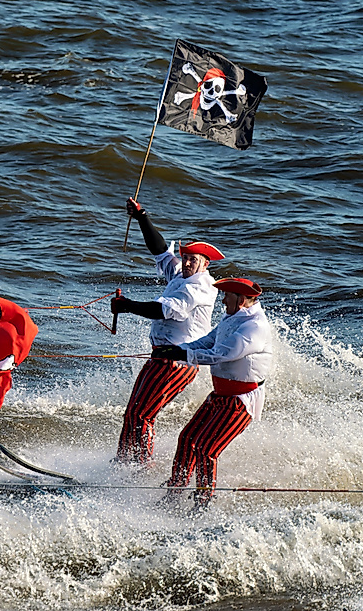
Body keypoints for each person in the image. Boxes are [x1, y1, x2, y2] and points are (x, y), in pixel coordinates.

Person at [111, 197, 223, 465]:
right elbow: (161, 251)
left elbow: (162, 310)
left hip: (177, 361)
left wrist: (126, 306)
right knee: (132, 413)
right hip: (160, 356)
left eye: (192, 260)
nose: (186, 263)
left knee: (143, 415)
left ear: (205, 264)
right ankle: (123, 462)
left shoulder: (198, 288)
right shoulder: (181, 275)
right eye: (185, 258)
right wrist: (142, 217)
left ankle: (140, 467)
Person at [153, 277, 272, 506]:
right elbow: (208, 341)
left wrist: (183, 356)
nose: (223, 299)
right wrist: (177, 349)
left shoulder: (255, 326)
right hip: (220, 395)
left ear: (241, 299)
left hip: (241, 400)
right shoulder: (233, 317)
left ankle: (203, 502)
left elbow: (222, 353)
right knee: (187, 438)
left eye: (227, 295)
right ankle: (174, 493)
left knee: (207, 449)